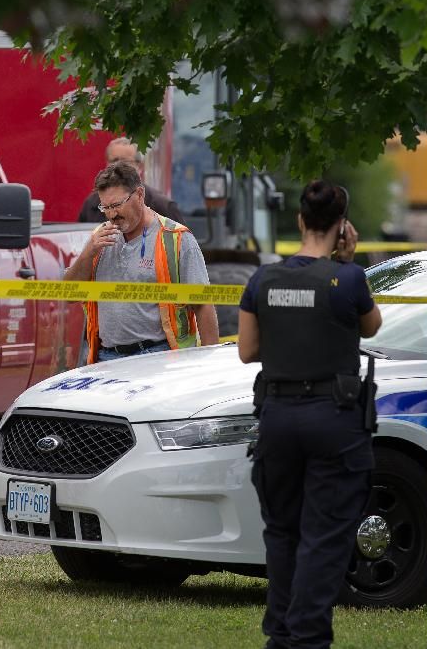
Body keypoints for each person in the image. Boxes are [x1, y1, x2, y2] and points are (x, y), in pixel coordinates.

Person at [237, 180, 382, 649]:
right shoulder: (349, 279)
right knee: (324, 535)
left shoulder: (263, 280)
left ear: (299, 221)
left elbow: (247, 351)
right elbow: (372, 325)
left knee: (282, 532)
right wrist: (346, 261)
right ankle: (307, 639)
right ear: (342, 226)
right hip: (333, 419)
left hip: (278, 417)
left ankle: (281, 635)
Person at [65, 161, 219, 363]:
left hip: (159, 356)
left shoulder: (176, 238)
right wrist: (88, 252)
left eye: (117, 205)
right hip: (106, 357)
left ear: (139, 195)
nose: (112, 214)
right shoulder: (99, 238)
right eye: (105, 207)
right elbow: (69, 294)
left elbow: (203, 305)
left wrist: (211, 363)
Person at [77, 137, 184, 224]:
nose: (117, 166)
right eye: (114, 160)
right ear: (106, 164)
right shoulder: (92, 204)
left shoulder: (162, 206)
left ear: (140, 166)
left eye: (125, 162)